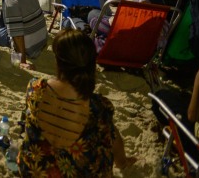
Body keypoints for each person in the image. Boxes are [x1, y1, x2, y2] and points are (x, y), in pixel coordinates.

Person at [18, 29, 132, 176]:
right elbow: (113, 138)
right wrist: (122, 162)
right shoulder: (99, 106)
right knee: (106, 131)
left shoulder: (35, 87)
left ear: (58, 61)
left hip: (34, 171)